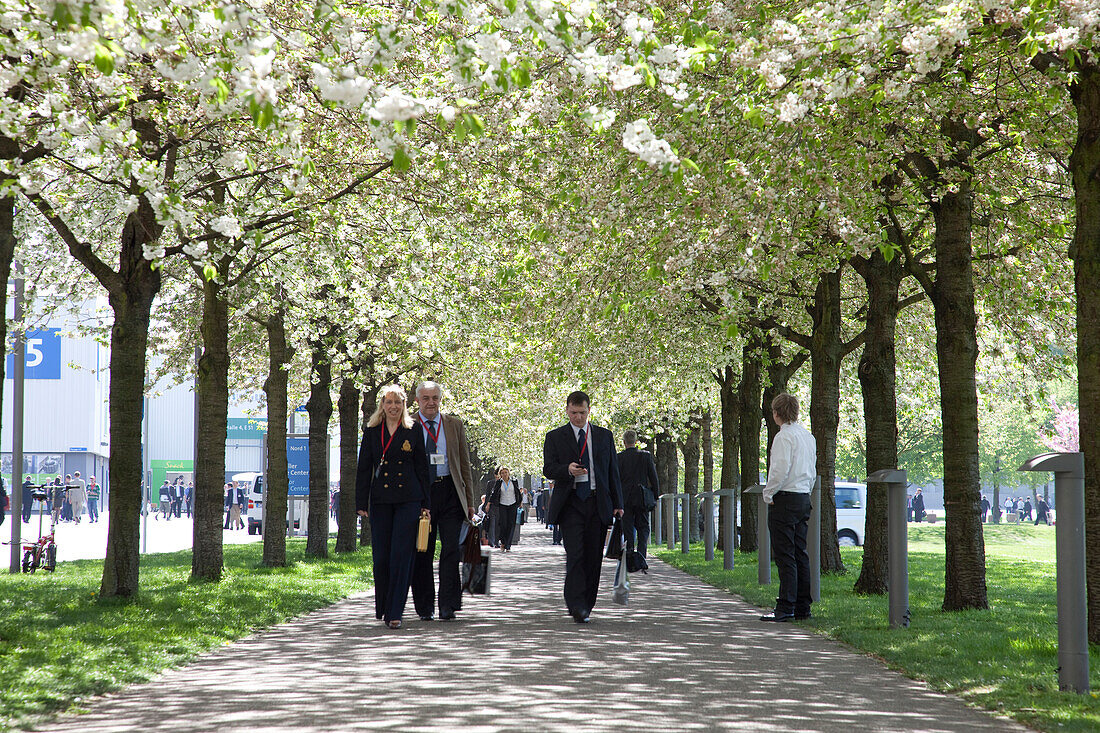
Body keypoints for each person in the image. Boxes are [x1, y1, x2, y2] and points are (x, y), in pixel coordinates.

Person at [542, 390, 624, 624]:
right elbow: (548, 468)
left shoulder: (603, 436)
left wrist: (618, 504)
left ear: (589, 411)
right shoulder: (555, 437)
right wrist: (567, 469)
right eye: (574, 412)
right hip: (571, 503)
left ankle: (587, 604)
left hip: (598, 502)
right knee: (575, 555)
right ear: (567, 410)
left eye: (582, 413)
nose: (578, 417)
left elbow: (612, 472)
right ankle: (576, 603)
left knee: (593, 557)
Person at [356, 384, 431, 630]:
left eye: (398, 402)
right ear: (382, 405)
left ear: (404, 406)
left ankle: (395, 611)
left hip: (409, 499)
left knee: (402, 555)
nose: (393, 407)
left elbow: (422, 467)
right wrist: (360, 502)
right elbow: (364, 467)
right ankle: (384, 606)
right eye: (389, 402)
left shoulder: (413, 429)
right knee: (381, 558)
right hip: (381, 500)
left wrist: (426, 504)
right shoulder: (372, 431)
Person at [410, 380, 477, 622]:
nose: (431, 402)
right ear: (417, 401)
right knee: (423, 551)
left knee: (450, 549)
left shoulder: (454, 425)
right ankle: (425, 606)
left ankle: (448, 605)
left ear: (440, 399)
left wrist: (469, 502)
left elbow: (463, 466)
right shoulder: (409, 425)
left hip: (450, 493)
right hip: (422, 497)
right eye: (426, 398)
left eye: (435, 398)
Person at [759, 392, 817, 623]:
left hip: (785, 498)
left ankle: (785, 606)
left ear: (776, 413)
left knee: (785, 555)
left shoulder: (783, 437)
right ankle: (803, 606)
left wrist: (768, 492)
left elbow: (780, 470)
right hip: (803, 496)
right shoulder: (807, 436)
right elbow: (811, 470)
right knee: (800, 553)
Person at [617, 429, 660, 559]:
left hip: (625, 498)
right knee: (643, 526)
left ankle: (629, 552)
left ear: (624, 442)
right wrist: (655, 496)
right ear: (636, 442)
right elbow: (653, 478)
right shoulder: (645, 456)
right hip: (642, 498)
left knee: (628, 527)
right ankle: (641, 554)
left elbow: (616, 480)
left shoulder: (619, 458)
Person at [489, 467, 522, 553]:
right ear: (500, 474)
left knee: (511, 524)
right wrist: (489, 503)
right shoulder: (499, 483)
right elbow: (494, 493)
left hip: (513, 504)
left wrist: (520, 502)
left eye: (506, 472)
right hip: (502, 504)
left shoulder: (514, 481)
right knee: (503, 524)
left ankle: (508, 545)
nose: (504, 474)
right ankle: (503, 542)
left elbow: (517, 492)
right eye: (502, 473)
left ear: (508, 473)